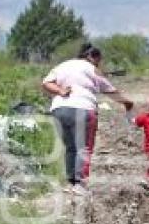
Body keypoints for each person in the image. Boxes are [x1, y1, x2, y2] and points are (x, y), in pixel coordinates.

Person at [42, 43, 133, 195]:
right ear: (92, 57)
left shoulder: (63, 65)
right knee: (83, 148)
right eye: (99, 60)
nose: (99, 63)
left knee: (71, 147)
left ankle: (70, 183)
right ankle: (80, 184)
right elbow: (111, 91)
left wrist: (61, 90)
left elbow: (46, 83)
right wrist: (127, 103)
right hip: (83, 109)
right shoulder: (92, 69)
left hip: (59, 110)